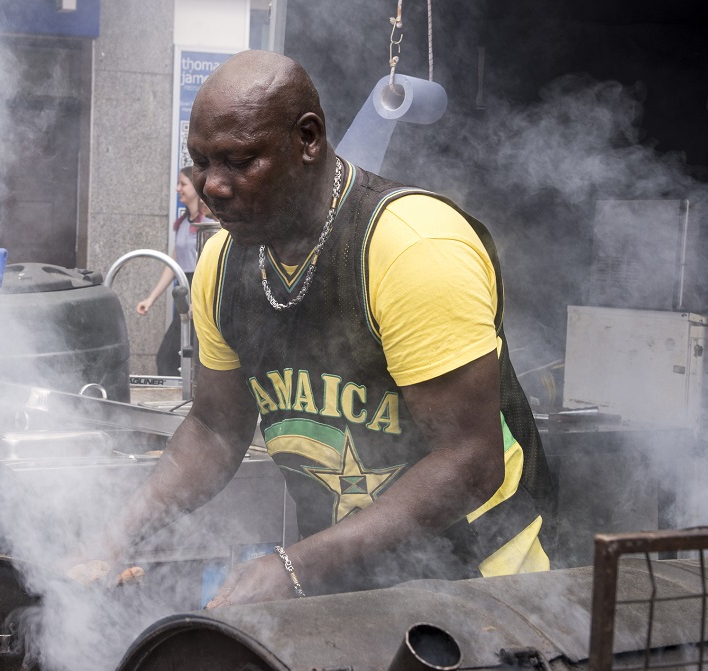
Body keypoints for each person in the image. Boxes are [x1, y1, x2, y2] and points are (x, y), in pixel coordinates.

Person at [79, 50, 553, 606]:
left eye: (238, 160)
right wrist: (112, 541)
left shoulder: (410, 246)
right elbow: (214, 428)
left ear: (308, 139)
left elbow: (469, 461)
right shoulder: (222, 265)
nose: (213, 186)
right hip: (347, 588)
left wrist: (293, 566)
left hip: (487, 584)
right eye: (201, 162)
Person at [136, 166, 214, 376]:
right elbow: (173, 265)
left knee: (197, 359)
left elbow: (214, 268)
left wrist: (199, 301)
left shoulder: (211, 223)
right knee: (168, 357)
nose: (178, 189)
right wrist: (150, 299)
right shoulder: (182, 225)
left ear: (196, 189)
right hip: (185, 291)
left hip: (204, 294)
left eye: (183, 184)